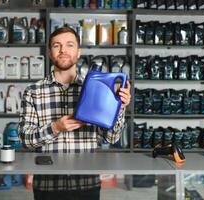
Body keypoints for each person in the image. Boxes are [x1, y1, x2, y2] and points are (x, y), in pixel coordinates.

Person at [18, 27, 131, 200]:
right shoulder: (33, 91)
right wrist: (55, 127)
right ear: (50, 53)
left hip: (87, 185)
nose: (63, 50)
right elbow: (26, 140)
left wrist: (119, 108)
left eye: (69, 45)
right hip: (47, 186)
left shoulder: (96, 90)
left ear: (78, 52)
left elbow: (111, 138)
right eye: (57, 45)